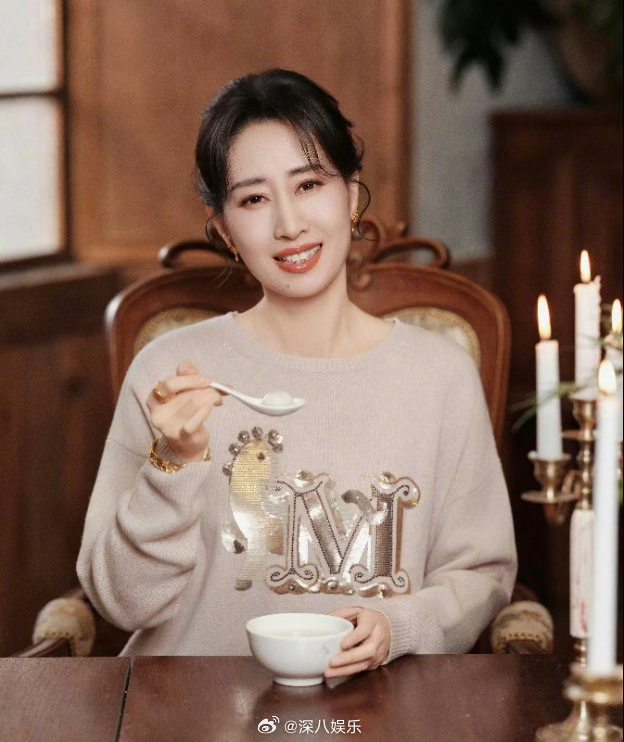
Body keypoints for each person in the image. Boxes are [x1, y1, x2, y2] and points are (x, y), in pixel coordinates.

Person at [77, 69, 517, 676]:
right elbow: (121, 603)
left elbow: (481, 574)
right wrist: (173, 464)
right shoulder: (169, 372)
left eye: (309, 184)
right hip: (188, 708)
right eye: (254, 199)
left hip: (374, 713)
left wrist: (401, 625)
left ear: (351, 194)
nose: (289, 224)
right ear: (225, 230)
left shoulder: (440, 375)